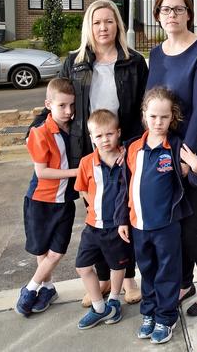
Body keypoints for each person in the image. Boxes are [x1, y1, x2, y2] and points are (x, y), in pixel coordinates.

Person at [31, 0, 147, 305]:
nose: (103, 27)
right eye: (97, 22)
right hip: (88, 154)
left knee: (124, 214)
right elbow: (60, 104)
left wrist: (132, 149)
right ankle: (105, 279)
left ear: (117, 25)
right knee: (96, 216)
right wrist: (36, 127)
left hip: (122, 152)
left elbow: (140, 112)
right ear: (89, 27)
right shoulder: (75, 62)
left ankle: (130, 278)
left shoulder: (133, 62)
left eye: (109, 21)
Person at [119, 87, 197, 344]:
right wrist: (122, 219)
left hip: (166, 226)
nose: (158, 122)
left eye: (164, 117)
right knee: (146, 271)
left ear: (172, 118)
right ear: (144, 115)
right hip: (138, 225)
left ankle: (165, 318)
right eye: (153, 116)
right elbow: (124, 187)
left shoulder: (176, 146)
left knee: (167, 273)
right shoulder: (133, 147)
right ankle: (149, 313)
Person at [146, 0, 197, 316]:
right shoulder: (156, 55)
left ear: (189, 13)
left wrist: (186, 157)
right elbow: (151, 104)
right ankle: (185, 281)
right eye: (166, 10)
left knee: (193, 225)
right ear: (158, 16)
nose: (172, 15)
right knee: (175, 221)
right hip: (164, 151)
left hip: (193, 150)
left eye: (179, 9)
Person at [16, 78, 79, 317]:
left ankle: (32, 288)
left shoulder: (73, 128)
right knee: (43, 252)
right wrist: (77, 172)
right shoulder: (40, 132)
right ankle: (45, 288)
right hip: (41, 201)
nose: (68, 111)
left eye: (71, 105)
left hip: (64, 202)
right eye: (62, 106)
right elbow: (42, 171)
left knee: (57, 252)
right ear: (48, 104)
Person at [74, 109, 131, 329]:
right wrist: (95, 210)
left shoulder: (127, 159)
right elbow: (83, 190)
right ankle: (99, 307)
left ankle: (114, 301)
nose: (104, 140)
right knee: (83, 267)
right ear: (91, 138)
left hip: (117, 227)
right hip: (93, 226)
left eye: (109, 134)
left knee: (118, 265)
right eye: (98, 136)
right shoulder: (87, 162)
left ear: (118, 133)